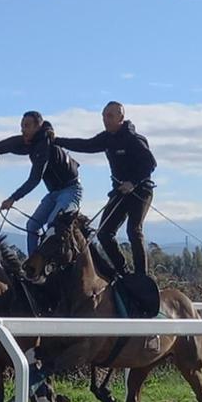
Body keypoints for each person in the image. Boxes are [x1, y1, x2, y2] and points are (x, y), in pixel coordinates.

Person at [53, 101, 157, 276]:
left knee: (134, 229)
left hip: (141, 191)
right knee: (104, 233)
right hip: (120, 192)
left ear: (121, 118)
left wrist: (133, 182)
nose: (105, 120)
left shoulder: (134, 139)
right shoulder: (107, 138)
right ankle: (123, 272)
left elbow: (150, 164)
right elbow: (85, 145)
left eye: (110, 116)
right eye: (103, 116)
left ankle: (141, 275)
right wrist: (57, 141)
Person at [0, 111, 83, 255]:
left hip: (71, 189)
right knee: (32, 225)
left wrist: (13, 198)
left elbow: (35, 179)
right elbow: (11, 145)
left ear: (38, 127)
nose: (23, 130)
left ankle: (53, 264)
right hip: (54, 192)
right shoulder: (34, 142)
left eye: (26, 126)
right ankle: (34, 265)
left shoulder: (44, 145)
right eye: (22, 126)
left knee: (53, 225)